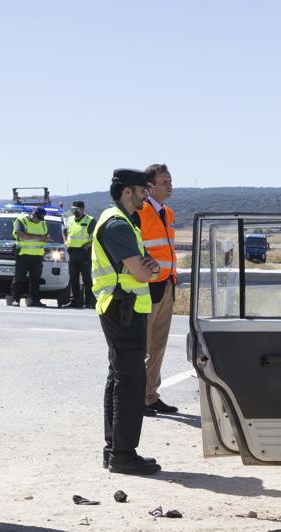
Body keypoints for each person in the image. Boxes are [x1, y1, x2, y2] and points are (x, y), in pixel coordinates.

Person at [93, 168, 162, 475]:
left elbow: (152, 267)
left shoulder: (124, 222)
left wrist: (148, 268)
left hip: (123, 307)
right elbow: (143, 271)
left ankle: (115, 450)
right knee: (130, 381)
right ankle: (122, 454)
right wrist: (147, 269)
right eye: (141, 191)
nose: (146, 196)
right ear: (126, 192)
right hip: (124, 308)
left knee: (120, 377)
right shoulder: (118, 224)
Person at [139, 164, 179, 415]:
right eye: (164, 181)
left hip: (167, 284)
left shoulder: (169, 214)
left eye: (170, 180)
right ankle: (138, 397)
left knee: (158, 346)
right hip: (148, 286)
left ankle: (150, 396)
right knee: (143, 345)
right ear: (150, 186)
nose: (170, 185)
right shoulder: (140, 211)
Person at [10, 206, 50, 307]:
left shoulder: (43, 223)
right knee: (19, 278)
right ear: (33, 214)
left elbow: (46, 237)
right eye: (38, 218)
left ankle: (35, 301)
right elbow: (21, 236)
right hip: (24, 255)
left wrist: (45, 239)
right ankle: (16, 300)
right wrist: (39, 238)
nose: (39, 221)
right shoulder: (22, 221)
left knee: (35, 280)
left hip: (37, 256)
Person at [63, 200, 95, 308]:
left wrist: (89, 244)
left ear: (82, 209)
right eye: (73, 209)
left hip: (84, 252)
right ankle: (74, 301)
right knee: (73, 278)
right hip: (72, 252)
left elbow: (97, 236)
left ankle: (89, 302)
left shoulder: (90, 220)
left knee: (87, 279)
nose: (75, 211)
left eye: (77, 209)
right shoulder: (69, 220)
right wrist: (66, 242)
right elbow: (65, 231)